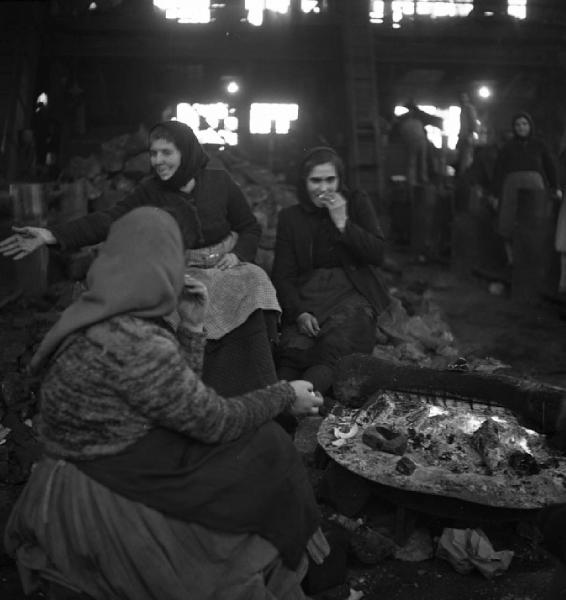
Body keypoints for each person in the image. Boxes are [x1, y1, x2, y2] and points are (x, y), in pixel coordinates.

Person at [4, 206, 327, 600]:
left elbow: (173, 398)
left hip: (81, 470)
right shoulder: (136, 340)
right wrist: (283, 395)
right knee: (269, 448)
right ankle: (288, 565)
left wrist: (191, 327)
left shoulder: (87, 315)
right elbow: (213, 422)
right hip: (102, 499)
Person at [0, 120, 281, 397]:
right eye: (154, 153)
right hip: (181, 273)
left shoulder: (220, 182)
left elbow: (249, 227)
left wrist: (238, 255)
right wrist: (51, 235)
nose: (158, 161)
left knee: (256, 282)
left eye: (167, 153)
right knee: (172, 314)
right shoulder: (151, 190)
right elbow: (110, 219)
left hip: (224, 266)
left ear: (187, 152)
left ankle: (260, 388)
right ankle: (191, 396)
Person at [271, 146, 391, 399]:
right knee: (294, 352)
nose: (323, 189)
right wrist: (299, 312)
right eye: (315, 180)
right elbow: (282, 274)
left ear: (340, 180)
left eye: (330, 180)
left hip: (351, 293)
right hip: (309, 295)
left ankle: (301, 401)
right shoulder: (291, 218)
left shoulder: (356, 203)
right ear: (304, 182)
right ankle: (278, 404)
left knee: (334, 350)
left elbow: (377, 253)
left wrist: (342, 223)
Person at [490, 112, 561, 267]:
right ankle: (512, 259)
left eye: (524, 124)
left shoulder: (539, 145)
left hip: (534, 189)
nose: (521, 127)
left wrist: (555, 187)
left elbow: (550, 166)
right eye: (518, 125)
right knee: (509, 222)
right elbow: (499, 170)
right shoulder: (508, 147)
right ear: (514, 128)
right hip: (512, 188)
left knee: (533, 224)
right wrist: (495, 194)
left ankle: (533, 260)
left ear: (530, 126)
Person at [456, 92, 479, 175]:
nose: (462, 99)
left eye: (464, 97)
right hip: (463, 138)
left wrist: (470, 135)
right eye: (461, 97)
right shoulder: (463, 109)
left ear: (468, 98)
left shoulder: (469, 108)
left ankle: (464, 180)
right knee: (462, 159)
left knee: (465, 161)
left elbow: (473, 122)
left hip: (467, 138)